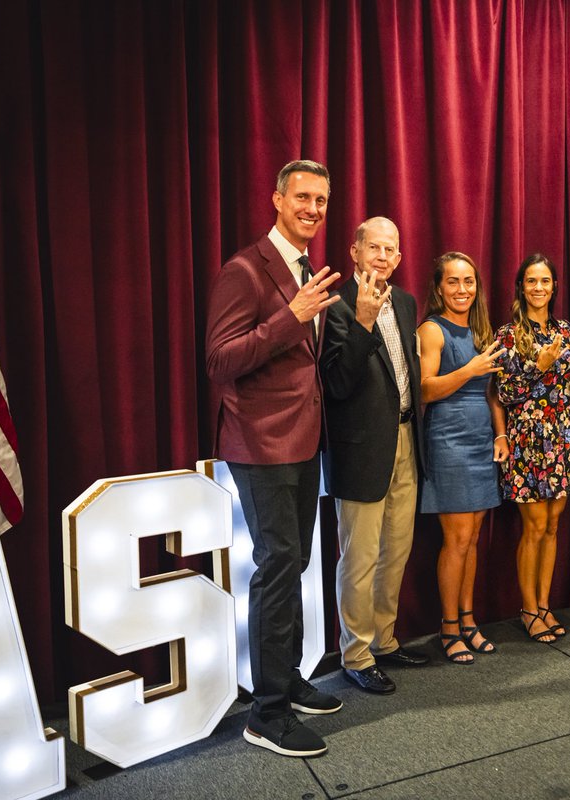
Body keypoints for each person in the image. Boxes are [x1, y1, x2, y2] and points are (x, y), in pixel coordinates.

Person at [206, 159, 343, 758]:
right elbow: (221, 360)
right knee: (278, 564)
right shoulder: (244, 268)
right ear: (277, 199)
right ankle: (266, 714)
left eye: (322, 200)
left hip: (302, 440)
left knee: (294, 561)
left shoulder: (307, 267)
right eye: (303, 198)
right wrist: (292, 319)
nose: (313, 209)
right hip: (260, 443)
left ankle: (285, 679)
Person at [320, 216, 429, 695]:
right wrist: (363, 320)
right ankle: (356, 654)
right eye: (374, 249)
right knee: (360, 558)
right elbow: (337, 384)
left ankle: (384, 640)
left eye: (391, 250)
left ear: (400, 258)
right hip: (362, 451)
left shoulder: (405, 302)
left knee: (396, 552)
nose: (383, 257)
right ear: (355, 252)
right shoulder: (335, 304)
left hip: (406, 441)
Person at [417, 252, 508, 664]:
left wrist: (501, 433)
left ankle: (469, 620)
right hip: (448, 440)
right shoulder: (432, 330)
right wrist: (469, 370)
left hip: (480, 439)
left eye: (468, 281)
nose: (462, 290)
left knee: (472, 539)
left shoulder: (481, 329)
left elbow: (491, 392)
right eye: (452, 282)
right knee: (454, 540)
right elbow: (425, 390)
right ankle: (448, 627)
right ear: (438, 288)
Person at [495, 253, 570, 644]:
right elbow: (504, 392)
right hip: (529, 440)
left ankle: (546, 604)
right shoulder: (507, 335)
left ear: (554, 286)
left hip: (564, 438)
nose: (538, 287)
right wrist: (539, 366)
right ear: (521, 287)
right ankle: (528, 609)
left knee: (553, 526)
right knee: (533, 527)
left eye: (545, 281)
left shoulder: (567, 330)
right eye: (531, 281)